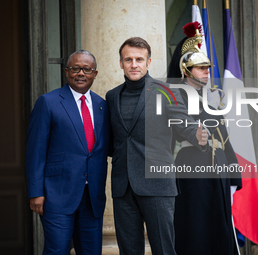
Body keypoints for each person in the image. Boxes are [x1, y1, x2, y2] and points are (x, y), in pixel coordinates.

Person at [106, 37, 209, 255]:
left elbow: (184, 124)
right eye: (128, 59)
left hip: (157, 184)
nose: (134, 64)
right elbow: (112, 140)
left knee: (163, 249)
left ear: (148, 62)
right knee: (128, 251)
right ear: (121, 63)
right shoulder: (112, 96)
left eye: (139, 59)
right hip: (123, 187)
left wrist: (197, 134)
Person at [168, 22, 242, 255]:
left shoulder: (211, 98)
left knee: (219, 228)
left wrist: (233, 169)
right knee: (196, 228)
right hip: (192, 164)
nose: (207, 71)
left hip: (217, 165)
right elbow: (180, 130)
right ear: (186, 70)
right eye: (200, 67)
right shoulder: (176, 96)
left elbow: (223, 134)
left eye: (207, 67)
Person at [26, 50, 110, 255]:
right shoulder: (48, 102)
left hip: (92, 198)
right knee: (57, 250)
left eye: (86, 69)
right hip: (57, 195)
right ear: (66, 72)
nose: (81, 73)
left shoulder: (102, 106)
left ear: (95, 74)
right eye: (75, 68)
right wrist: (36, 192)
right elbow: (35, 151)